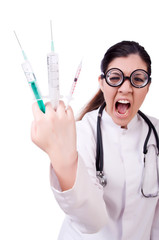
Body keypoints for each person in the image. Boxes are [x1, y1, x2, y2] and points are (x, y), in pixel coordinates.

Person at [31, 41, 159, 240]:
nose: (126, 88)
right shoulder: (83, 132)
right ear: (102, 82)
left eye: (138, 79)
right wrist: (61, 157)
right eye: (115, 78)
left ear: (148, 85)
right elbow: (91, 220)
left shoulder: (156, 134)